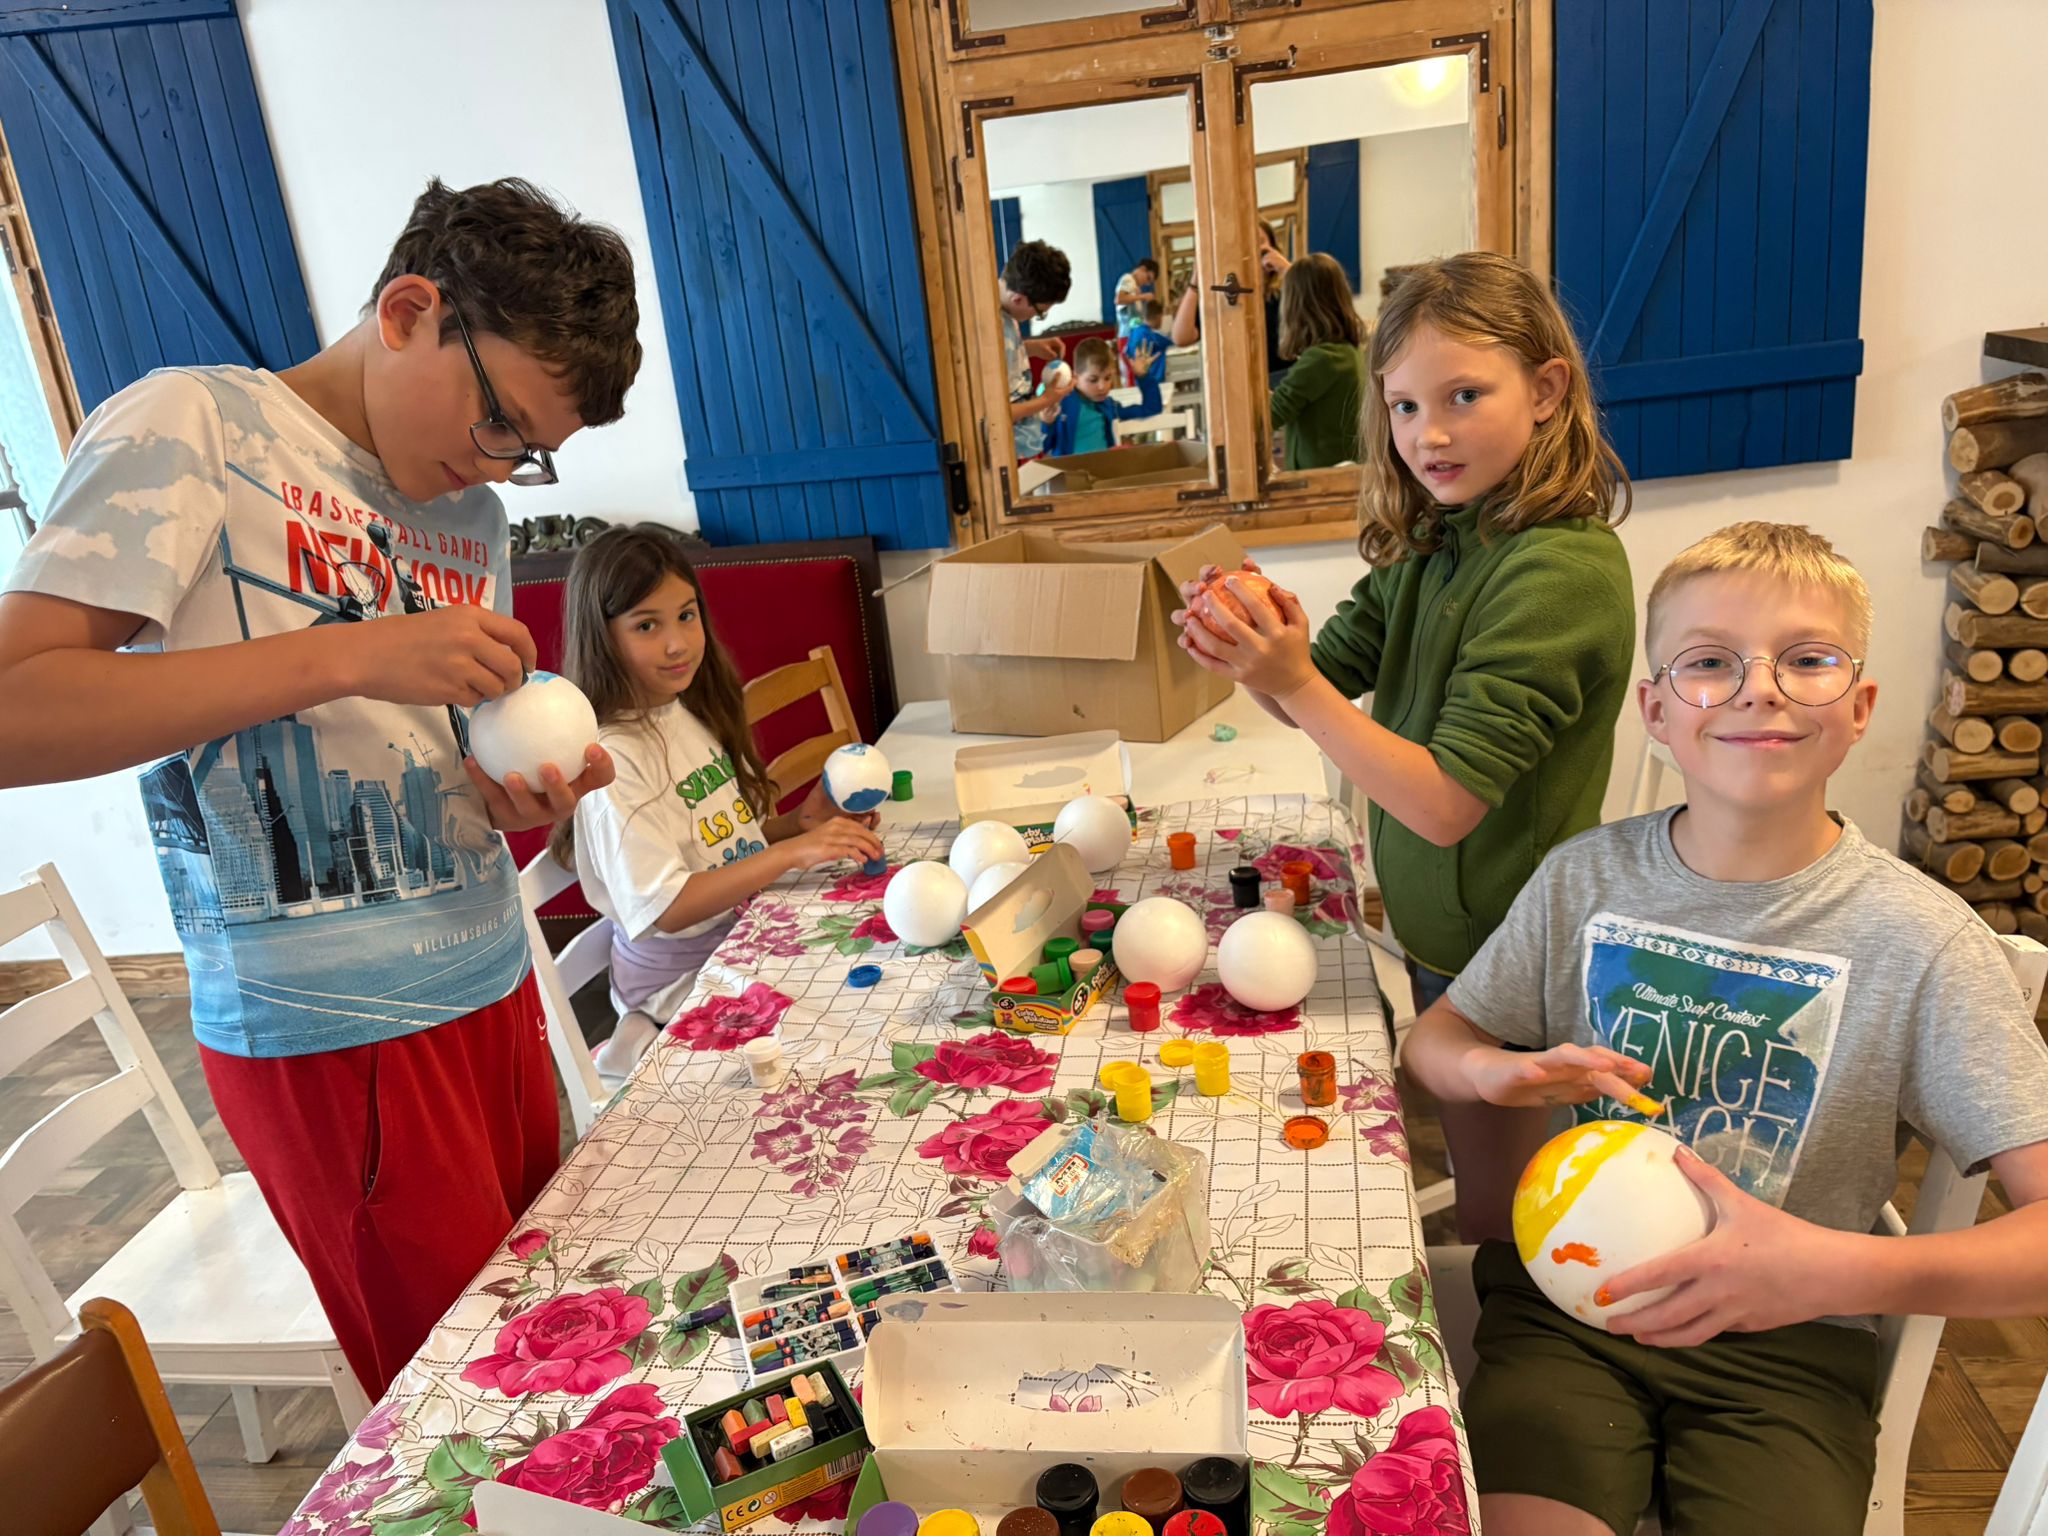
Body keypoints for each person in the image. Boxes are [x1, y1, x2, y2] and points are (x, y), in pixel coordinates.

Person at [0, 177, 640, 1398]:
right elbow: (13, 710)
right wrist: (350, 649)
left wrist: (505, 797)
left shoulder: (469, 513)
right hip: (334, 1034)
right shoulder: (192, 426)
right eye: (499, 421)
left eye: (528, 452)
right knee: (466, 1406)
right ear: (407, 312)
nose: (498, 462)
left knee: (553, 1361)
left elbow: (414, 750)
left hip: (490, 987)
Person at [1401, 521, 2048, 1535]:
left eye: (1807, 659)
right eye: (1709, 662)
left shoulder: (1922, 943)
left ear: (1859, 707)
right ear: (1656, 711)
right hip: (1571, 1309)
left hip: (1787, 1350)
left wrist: (1830, 1270)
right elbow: (1433, 1042)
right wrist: (1492, 1073)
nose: (1759, 689)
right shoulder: (1582, 879)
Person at [1172, 251, 1635, 1236]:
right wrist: (1255, 650)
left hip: (1509, 946)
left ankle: (1512, 1302)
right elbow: (1317, 689)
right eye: (1404, 406)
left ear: (1546, 390)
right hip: (1448, 933)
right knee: (1489, 1177)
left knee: (1510, 1213)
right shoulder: (1437, 540)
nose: (1430, 433)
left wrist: (1289, 677)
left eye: (1464, 395)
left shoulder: (1558, 571)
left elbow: (1442, 802)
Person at [550, 526, 882, 1075]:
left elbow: (724, 846)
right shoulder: (613, 761)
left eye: (686, 615)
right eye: (647, 625)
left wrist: (804, 823)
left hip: (739, 936)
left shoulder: (682, 711)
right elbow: (667, 906)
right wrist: (790, 854)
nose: (677, 643)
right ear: (601, 637)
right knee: (845, 1032)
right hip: (676, 987)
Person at [1269, 253, 1365, 469]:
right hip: (1339, 471)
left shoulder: (1322, 359)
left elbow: (1270, 416)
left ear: (1295, 305)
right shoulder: (1347, 351)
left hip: (1320, 477)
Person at [1169, 218, 1293, 380]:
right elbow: (1181, 337)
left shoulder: (1284, 290)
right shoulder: (1222, 295)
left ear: (1272, 246)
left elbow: (1316, 307)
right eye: (1244, 243)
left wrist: (1286, 268)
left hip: (1285, 377)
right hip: (1238, 383)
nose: (1252, 249)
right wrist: (1195, 281)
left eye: (1260, 241)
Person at [1000, 239, 1075, 461]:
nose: (1036, 317)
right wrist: (1046, 400)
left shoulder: (1006, 315)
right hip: (1009, 454)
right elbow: (996, 414)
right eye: (1040, 312)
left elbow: (1001, 357)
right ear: (1018, 299)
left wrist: (1029, 348)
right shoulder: (994, 328)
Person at [1039, 336, 1162, 458]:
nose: (1102, 386)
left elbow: (1151, 408)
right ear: (1075, 377)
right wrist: (1047, 423)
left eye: (1107, 378)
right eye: (1093, 380)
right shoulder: (1061, 404)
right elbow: (1044, 447)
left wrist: (1143, 377)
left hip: (1103, 467)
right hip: (1068, 469)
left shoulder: (1109, 405)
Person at [1124, 298, 1172, 388]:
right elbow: (1174, 342)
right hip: (1154, 380)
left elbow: (1127, 352)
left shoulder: (1134, 332)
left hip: (1139, 381)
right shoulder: (1152, 336)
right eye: (1162, 317)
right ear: (1158, 316)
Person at [1113, 257, 1159, 335]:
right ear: (1142, 269)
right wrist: (1143, 297)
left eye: (1149, 283)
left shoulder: (1136, 288)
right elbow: (1119, 299)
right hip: (1127, 335)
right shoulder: (1128, 279)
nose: (1146, 283)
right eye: (1148, 278)